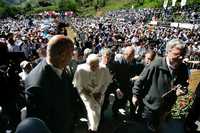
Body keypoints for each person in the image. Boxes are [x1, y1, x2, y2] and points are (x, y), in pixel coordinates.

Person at [132, 39, 189, 133]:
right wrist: (135, 95)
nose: (180, 58)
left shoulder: (183, 68)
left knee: (157, 127)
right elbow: (140, 80)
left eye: (182, 55)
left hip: (166, 107)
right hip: (149, 107)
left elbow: (184, 84)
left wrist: (183, 90)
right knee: (146, 129)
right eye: (177, 54)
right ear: (168, 52)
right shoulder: (156, 64)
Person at [25, 35, 76, 133]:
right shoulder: (36, 85)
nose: (72, 56)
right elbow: (39, 125)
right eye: (71, 53)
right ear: (62, 55)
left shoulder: (60, 67)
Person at [73, 54, 112, 133]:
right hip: (86, 93)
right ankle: (93, 129)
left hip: (99, 93)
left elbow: (106, 83)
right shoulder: (80, 69)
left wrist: (101, 93)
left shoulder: (103, 69)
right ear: (87, 64)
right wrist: (85, 92)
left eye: (95, 66)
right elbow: (77, 84)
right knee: (91, 109)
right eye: (91, 66)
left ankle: (92, 126)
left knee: (97, 109)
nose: (94, 68)